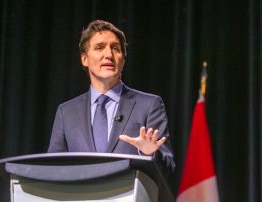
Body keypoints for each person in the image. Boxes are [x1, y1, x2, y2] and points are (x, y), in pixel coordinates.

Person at [48, 19, 175, 171]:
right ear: (84, 59)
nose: (109, 54)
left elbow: (168, 169)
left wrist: (150, 153)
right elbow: (54, 168)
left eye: (116, 48)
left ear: (123, 60)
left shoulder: (149, 105)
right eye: (100, 47)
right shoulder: (66, 112)